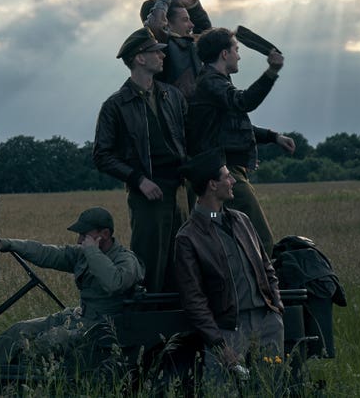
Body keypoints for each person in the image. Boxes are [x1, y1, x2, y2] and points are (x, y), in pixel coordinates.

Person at [175, 148, 284, 381]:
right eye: (227, 176)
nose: (233, 180)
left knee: (271, 388)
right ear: (212, 185)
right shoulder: (188, 238)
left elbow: (267, 267)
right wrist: (218, 343)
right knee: (222, 390)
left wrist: (275, 309)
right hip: (227, 330)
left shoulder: (241, 220)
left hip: (266, 322)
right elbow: (193, 300)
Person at [93, 27, 187, 292]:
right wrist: (139, 180)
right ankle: (147, 328)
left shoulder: (172, 96)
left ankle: (180, 330)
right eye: (155, 51)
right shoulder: (115, 105)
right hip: (148, 195)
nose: (162, 56)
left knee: (182, 261)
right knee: (149, 265)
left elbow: (187, 138)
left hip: (180, 190)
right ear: (139, 58)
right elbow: (102, 155)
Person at [0, 207, 144, 364]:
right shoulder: (85, 253)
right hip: (78, 316)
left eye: (84, 235)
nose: (79, 240)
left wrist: (92, 252)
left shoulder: (126, 260)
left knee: (44, 345)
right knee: (19, 330)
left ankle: (14, 381)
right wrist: (7, 244)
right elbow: (47, 253)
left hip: (100, 326)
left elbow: (114, 283)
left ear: (105, 234)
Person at [186, 27, 296, 252]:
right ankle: (266, 285)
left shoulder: (215, 83)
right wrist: (272, 72)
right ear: (224, 54)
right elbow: (244, 102)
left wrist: (274, 137)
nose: (239, 55)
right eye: (236, 50)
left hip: (224, 171)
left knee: (231, 238)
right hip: (224, 172)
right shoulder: (211, 82)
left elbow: (234, 127)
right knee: (260, 239)